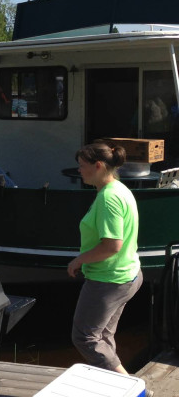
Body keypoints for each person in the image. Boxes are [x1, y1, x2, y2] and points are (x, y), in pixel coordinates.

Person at [68, 142, 143, 375]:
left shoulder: (108, 198)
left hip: (109, 280)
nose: (79, 170)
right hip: (127, 275)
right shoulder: (119, 189)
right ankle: (117, 386)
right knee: (102, 336)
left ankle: (131, 385)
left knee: (84, 337)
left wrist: (78, 260)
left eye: (82, 166)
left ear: (98, 166)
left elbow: (112, 245)